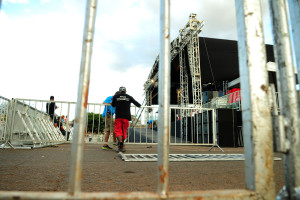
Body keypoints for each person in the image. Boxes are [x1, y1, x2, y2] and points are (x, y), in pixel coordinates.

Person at [112, 86, 141, 152]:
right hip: (126, 117)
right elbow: (137, 104)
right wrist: (141, 106)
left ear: (119, 91)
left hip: (118, 117)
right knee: (124, 131)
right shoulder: (129, 97)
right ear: (125, 91)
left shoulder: (116, 96)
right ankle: (122, 145)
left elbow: (113, 105)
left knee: (118, 130)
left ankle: (121, 144)